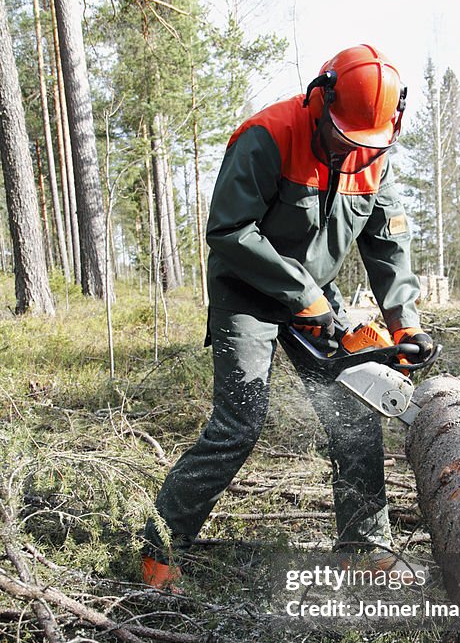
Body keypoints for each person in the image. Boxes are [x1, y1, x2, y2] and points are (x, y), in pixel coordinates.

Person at [141, 44, 433, 591]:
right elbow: (228, 232)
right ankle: (160, 544)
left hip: (316, 295)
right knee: (240, 423)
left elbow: (387, 244)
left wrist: (404, 321)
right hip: (246, 290)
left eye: (365, 144)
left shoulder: (376, 153)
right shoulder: (268, 136)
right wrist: (304, 296)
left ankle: (363, 546)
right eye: (344, 138)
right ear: (320, 103)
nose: (353, 151)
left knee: (355, 411)